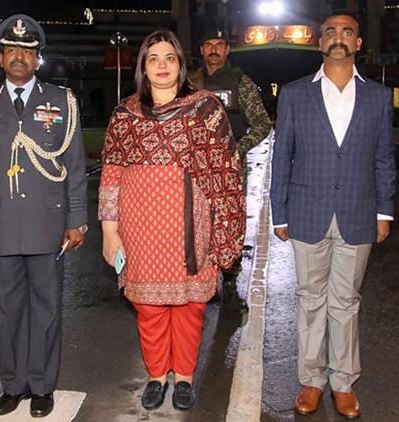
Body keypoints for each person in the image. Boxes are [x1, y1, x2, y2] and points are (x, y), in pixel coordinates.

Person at [98, 29, 245, 412]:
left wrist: (222, 230)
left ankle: (183, 377)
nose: (162, 66)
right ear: (143, 68)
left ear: (180, 65)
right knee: (149, 308)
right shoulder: (124, 115)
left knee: (189, 307)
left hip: (189, 226)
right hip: (140, 227)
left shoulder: (205, 109)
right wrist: (109, 230)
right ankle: (156, 375)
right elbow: (111, 174)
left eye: (169, 58)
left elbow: (226, 171)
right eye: (153, 59)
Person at [270, 11, 395, 419]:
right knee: (310, 301)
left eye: (347, 32)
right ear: (319, 42)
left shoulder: (377, 96)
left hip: (359, 213)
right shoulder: (293, 94)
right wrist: (279, 213)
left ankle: (343, 383)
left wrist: (384, 212)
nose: (337, 38)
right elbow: (282, 157)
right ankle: (311, 380)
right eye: (329, 32)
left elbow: (383, 159)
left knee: (346, 302)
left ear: (359, 42)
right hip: (306, 212)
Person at [0, 14, 88, 418]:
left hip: (47, 224)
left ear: (38, 60)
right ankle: (13, 386)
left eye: (27, 51)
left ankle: (42, 386)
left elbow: (75, 165)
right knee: (7, 309)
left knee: (47, 309)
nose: (18, 57)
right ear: (0, 59)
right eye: (11, 50)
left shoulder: (61, 102)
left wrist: (76, 219)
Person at [188, 26, 272, 309]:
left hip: (231, 167)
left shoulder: (240, 81)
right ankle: (203, 281)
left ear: (227, 49)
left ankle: (232, 283)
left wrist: (238, 148)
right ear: (201, 50)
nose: (214, 50)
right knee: (197, 223)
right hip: (196, 169)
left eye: (219, 45)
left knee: (230, 223)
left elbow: (262, 123)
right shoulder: (189, 82)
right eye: (208, 44)